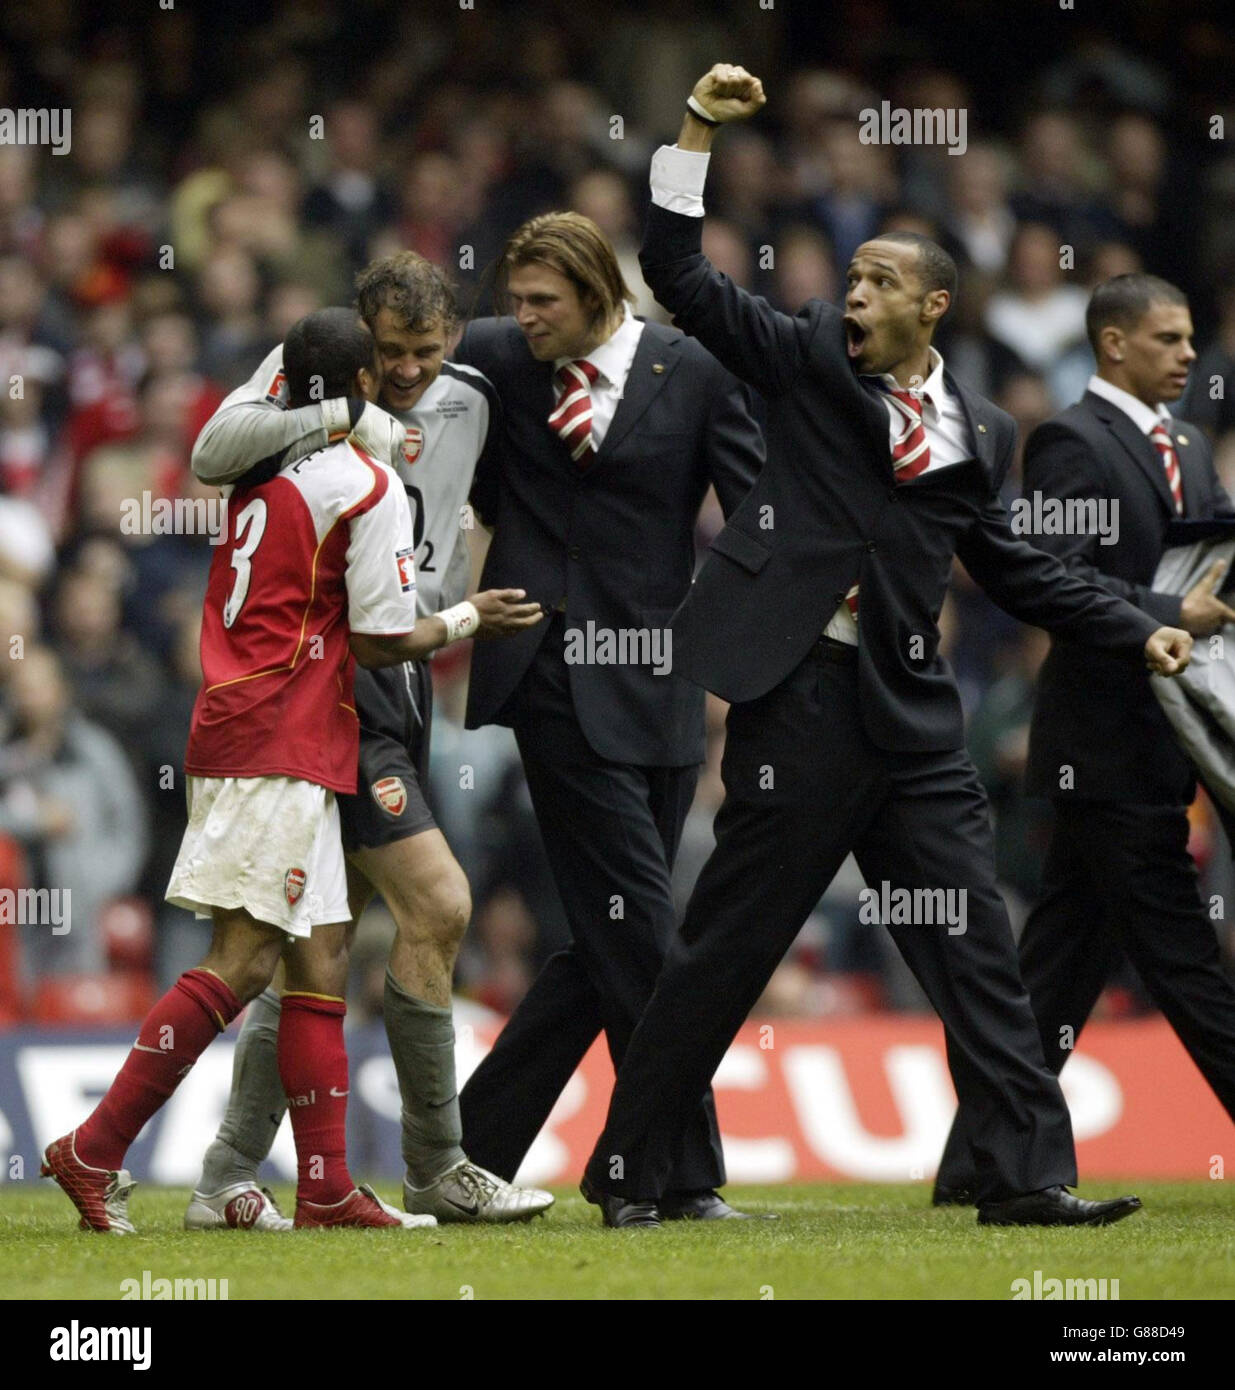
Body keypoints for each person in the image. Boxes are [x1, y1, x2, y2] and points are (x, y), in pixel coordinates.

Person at [577, 64, 1192, 1229]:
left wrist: (1141, 626)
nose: (850, 294)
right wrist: (696, 128)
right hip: (797, 703)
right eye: (850, 278)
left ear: (930, 308)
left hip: (909, 721)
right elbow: (676, 275)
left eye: (875, 283)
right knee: (721, 957)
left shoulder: (985, 429)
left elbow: (1016, 569)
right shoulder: (805, 354)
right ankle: (628, 1172)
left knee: (975, 953)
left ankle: (1022, 1178)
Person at [41, 308, 539, 1232]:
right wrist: (471, 617)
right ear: (358, 386)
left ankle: (325, 1188)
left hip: (257, 727)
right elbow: (388, 637)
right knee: (239, 962)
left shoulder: (262, 468)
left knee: (319, 961)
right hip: (280, 739)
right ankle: (94, 1148)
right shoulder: (364, 482)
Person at [186, 254, 554, 1225]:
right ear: (359, 341)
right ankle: (434, 1166)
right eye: (387, 352)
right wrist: (341, 416)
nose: (404, 371)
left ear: (454, 339)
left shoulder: (476, 390)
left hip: (401, 681)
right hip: (336, 680)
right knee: (432, 904)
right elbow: (213, 449)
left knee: (312, 945)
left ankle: (233, 1171)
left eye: (423, 353)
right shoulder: (311, 381)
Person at [453, 210, 766, 1219]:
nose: (523, 316)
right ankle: (669, 1170)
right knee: (642, 926)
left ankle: (470, 1143)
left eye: (543, 301)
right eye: (516, 298)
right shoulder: (494, 355)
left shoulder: (693, 369)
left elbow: (753, 514)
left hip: (663, 676)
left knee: (609, 937)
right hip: (549, 669)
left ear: (597, 294)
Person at [935, 275, 1235, 1202]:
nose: (1189, 355)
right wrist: (1159, 610)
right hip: (1102, 747)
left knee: (1053, 982)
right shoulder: (1071, 440)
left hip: (1162, 738)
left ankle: (973, 1168)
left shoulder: (1185, 442)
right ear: (1112, 345)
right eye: (1169, 338)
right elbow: (1048, 579)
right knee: (1183, 959)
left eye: (1190, 339)